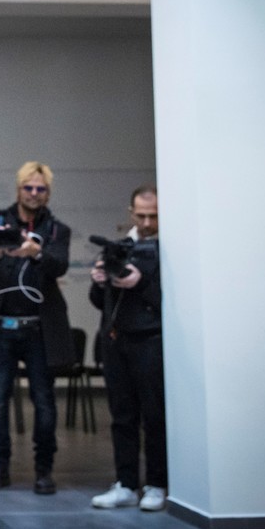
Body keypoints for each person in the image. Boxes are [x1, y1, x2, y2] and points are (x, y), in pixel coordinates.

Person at [0, 161, 73, 495]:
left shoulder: (57, 230)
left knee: (44, 401)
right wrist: (0, 249)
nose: (34, 193)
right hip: (1, 329)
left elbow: (60, 265)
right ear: (18, 189)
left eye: (40, 189)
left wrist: (37, 253)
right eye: (29, 187)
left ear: (48, 193)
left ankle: (44, 471)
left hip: (40, 330)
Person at [89, 184, 166, 511]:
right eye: (142, 215)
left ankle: (157, 484)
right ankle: (125, 483)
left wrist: (142, 282)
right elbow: (100, 302)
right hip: (116, 339)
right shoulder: (120, 248)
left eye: (154, 216)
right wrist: (99, 281)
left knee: (154, 416)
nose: (147, 222)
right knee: (122, 416)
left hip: (151, 340)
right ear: (131, 213)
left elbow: (172, 302)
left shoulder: (171, 249)